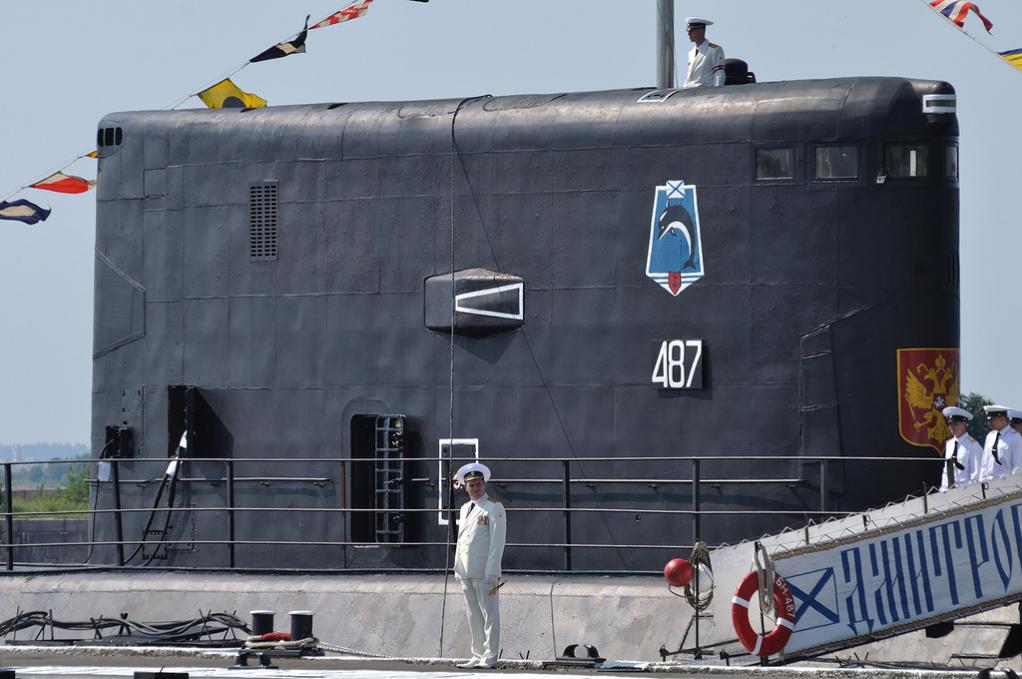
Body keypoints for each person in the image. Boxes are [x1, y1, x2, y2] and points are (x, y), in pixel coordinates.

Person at [452, 462, 507, 670]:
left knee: (489, 614)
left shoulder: (494, 507)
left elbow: (497, 542)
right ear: (465, 487)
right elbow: (462, 540)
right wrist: (457, 568)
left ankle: (490, 656)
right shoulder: (465, 508)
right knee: (472, 614)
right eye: (471, 485)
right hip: (466, 570)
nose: (475, 488)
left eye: (478, 484)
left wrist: (492, 571)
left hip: (484, 571)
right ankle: (477, 654)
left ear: (484, 485)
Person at [939, 406, 981, 491]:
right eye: (950, 424)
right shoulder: (949, 444)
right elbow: (946, 471)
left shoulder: (973, 445)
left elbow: (976, 475)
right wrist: (943, 489)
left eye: (955, 424)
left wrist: (965, 491)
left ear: (965, 424)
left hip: (966, 492)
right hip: (948, 492)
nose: (952, 427)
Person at [978, 405, 1022, 481]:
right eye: (988, 420)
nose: (989, 423)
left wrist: (1011, 483)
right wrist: (981, 481)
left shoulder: (1015, 437)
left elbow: (1017, 465)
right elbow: (984, 464)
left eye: (991, 420)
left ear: (1002, 419)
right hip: (988, 482)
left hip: (1005, 483)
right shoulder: (990, 436)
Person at [683, 17, 726, 89]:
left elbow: (719, 73)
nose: (688, 34)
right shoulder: (691, 53)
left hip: (706, 91)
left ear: (701, 31)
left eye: (691, 31)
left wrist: (717, 92)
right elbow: (689, 76)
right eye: (688, 31)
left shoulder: (714, 49)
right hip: (691, 91)